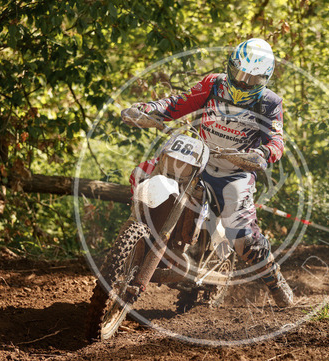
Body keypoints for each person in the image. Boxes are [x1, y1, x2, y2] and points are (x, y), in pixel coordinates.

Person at [125, 38, 293, 307]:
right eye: (240, 74)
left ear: (266, 78)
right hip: (198, 159)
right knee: (143, 174)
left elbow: (276, 140)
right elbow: (177, 103)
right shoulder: (213, 84)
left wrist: (263, 153)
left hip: (236, 171)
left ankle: (274, 279)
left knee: (243, 238)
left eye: (252, 79)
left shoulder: (269, 103)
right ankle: (135, 242)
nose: (243, 83)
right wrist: (149, 109)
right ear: (230, 67)